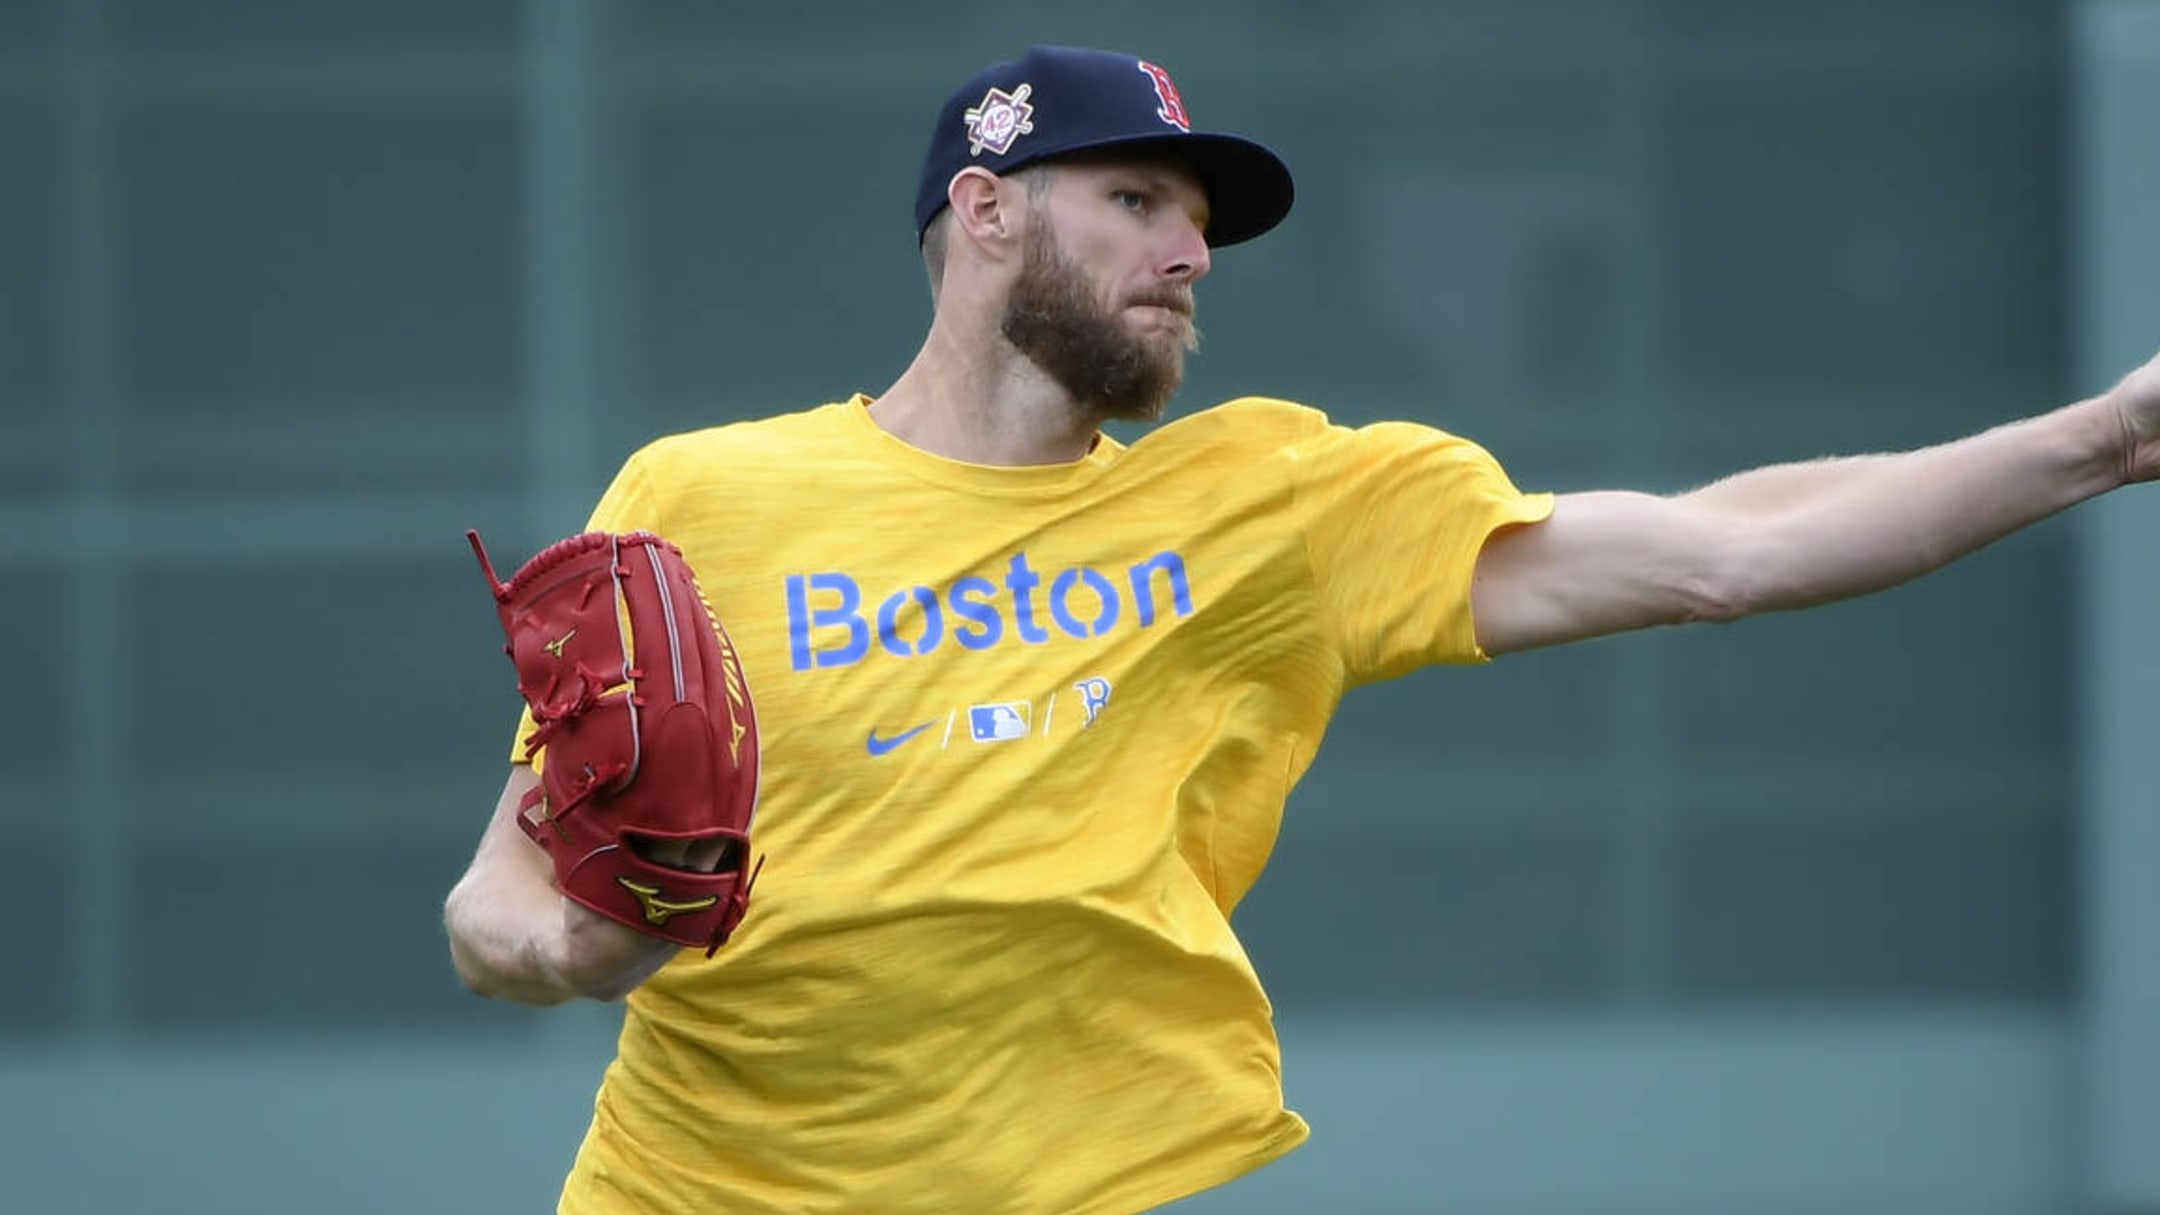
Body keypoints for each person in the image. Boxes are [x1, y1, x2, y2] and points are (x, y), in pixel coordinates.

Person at [442, 43, 2160, 1215]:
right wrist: (568, 954)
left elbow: (1727, 550)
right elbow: (497, 899)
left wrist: (2108, 439)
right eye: (1137, 200)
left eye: (1202, 224)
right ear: (985, 211)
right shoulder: (700, 493)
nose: (1189, 251)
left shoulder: (1274, 502)